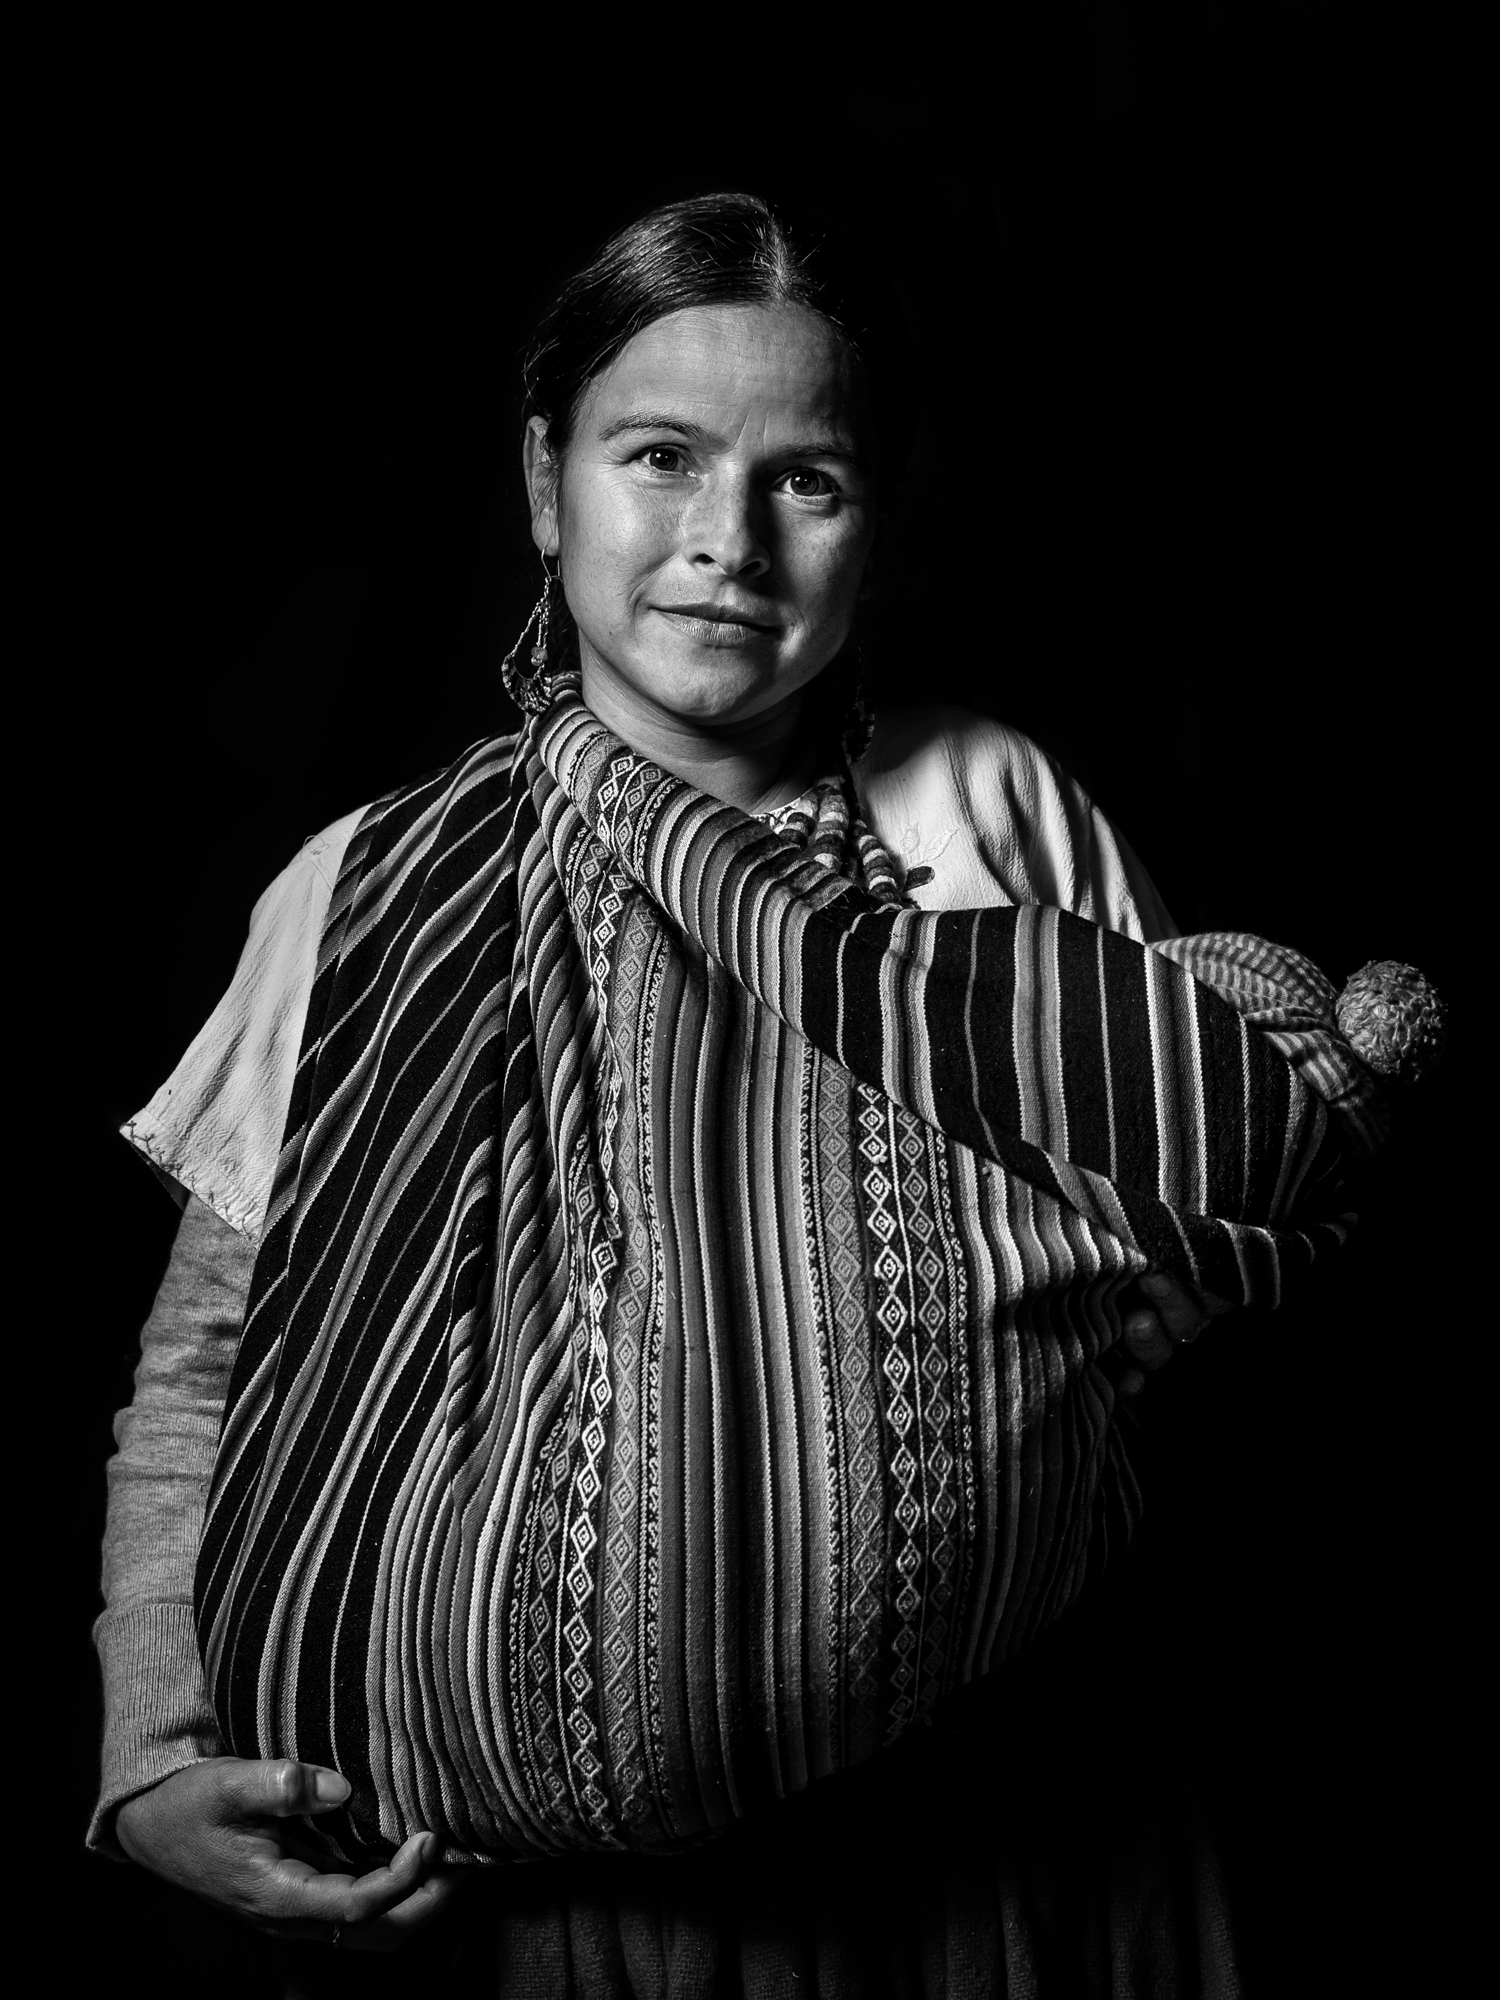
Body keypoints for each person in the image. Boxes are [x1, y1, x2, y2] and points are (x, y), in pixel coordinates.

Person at [93, 193, 1389, 1997]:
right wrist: (152, 1748)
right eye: (660, 458)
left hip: (1009, 1833)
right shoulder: (370, 893)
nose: (727, 540)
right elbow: (208, 1369)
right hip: (548, 1920)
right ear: (544, 485)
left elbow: (1203, 1200)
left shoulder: (987, 816)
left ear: (876, 527)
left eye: (808, 481)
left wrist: (1135, 1321)